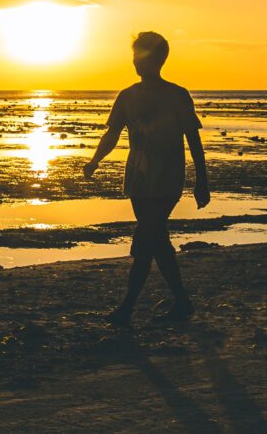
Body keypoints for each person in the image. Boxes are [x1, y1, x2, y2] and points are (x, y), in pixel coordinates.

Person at [83, 31, 211, 326]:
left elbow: (193, 138)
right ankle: (182, 301)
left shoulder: (177, 95)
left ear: (158, 59)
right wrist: (94, 161)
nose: (135, 61)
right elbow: (112, 133)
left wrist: (202, 180)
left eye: (141, 55)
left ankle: (128, 307)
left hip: (168, 180)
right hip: (138, 180)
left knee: (146, 237)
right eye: (134, 55)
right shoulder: (127, 96)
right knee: (156, 239)